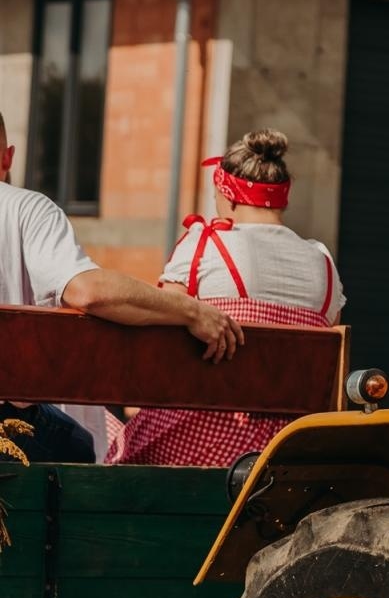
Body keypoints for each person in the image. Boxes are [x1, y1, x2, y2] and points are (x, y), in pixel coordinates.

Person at [0, 109, 244, 463]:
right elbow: (87, 291)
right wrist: (192, 311)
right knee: (83, 452)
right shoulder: (26, 208)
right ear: (8, 157)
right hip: (9, 424)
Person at [107, 129, 345, 467]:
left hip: (197, 444)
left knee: (102, 435)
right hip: (289, 446)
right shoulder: (323, 262)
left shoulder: (204, 244)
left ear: (226, 194)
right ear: (283, 199)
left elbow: (158, 338)